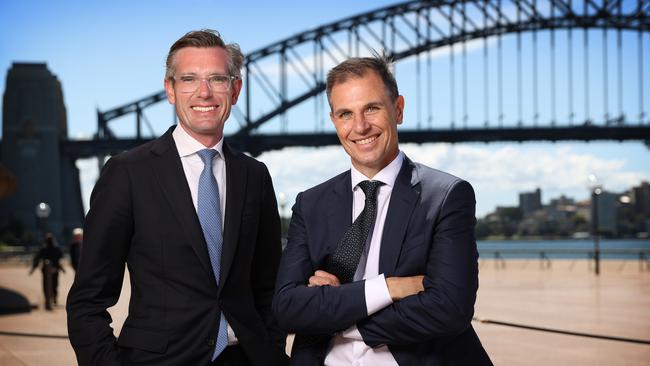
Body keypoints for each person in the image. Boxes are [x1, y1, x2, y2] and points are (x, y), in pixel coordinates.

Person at [67, 29, 288, 366]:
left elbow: (268, 286)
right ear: (170, 90)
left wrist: (271, 351)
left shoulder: (254, 175)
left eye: (217, 79)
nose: (204, 92)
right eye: (189, 79)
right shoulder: (128, 173)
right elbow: (87, 300)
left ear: (236, 89)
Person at [273, 55, 492, 365]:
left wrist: (334, 310)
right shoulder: (311, 204)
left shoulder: (445, 196)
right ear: (334, 120)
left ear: (398, 109)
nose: (360, 126)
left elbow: (449, 309)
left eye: (372, 108)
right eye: (346, 113)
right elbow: (287, 308)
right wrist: (389, 288)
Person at [30, 232, 64, 310]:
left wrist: (33, 269)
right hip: (54, 270)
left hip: (46, 271)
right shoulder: (56, 248)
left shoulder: (44, 248)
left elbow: (37, 259)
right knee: (55, 285)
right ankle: (53, 298)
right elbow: (60, 259)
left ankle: (48, 299)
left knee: (47, 286)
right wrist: (61, 268)